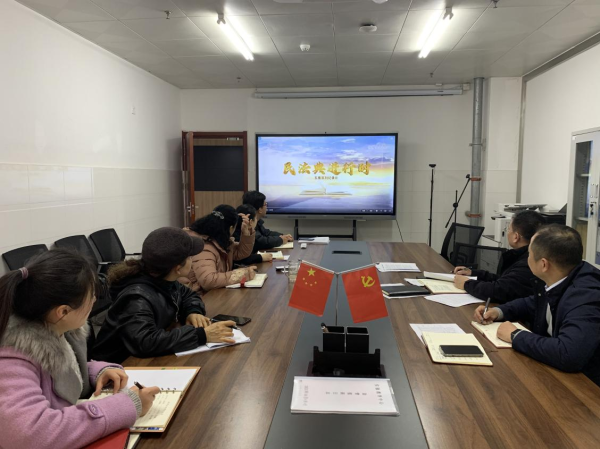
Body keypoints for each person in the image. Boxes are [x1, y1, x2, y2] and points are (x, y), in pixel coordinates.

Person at [0, 249, 160, 449]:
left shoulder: (52, 325)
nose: (94, 300)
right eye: (91, 296)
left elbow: (57, 370)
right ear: (63, 311)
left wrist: (95, 371)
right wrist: (128, 404)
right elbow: (29, 435)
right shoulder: (11, 358)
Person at [474, 224, 600, 386]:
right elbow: (532, 303)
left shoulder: (586, 297)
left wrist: (515, 335)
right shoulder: (559, 276)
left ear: (543, 264)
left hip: (586, 387)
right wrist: (498, 311)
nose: (527, 259)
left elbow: (568, 354)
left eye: (529, 254)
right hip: (555, 372)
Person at [93, 227, 235, 364]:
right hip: (117, 368)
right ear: (178, 268)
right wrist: (202, 335)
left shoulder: (163, 278)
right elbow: (146, 342)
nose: (193, 260)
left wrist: (193, 312)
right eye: (190, 257)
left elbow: (188, 295)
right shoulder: (136, 298)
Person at [454, 210, 546, 303]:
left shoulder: (528, 262)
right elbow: (505, 281)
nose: (507, 233)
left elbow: (498, 290)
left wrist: (466, 284)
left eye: (508, 229)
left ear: (516, 237)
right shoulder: (524, 255)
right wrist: (474, 273)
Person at [183, 204, 256, 293]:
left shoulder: (219, 240)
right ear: (230, 228)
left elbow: (240, 252)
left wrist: (246, 233)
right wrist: (241, 274)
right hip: (199, 296)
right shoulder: (204, 246)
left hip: (212, 292)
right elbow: (208, 280)